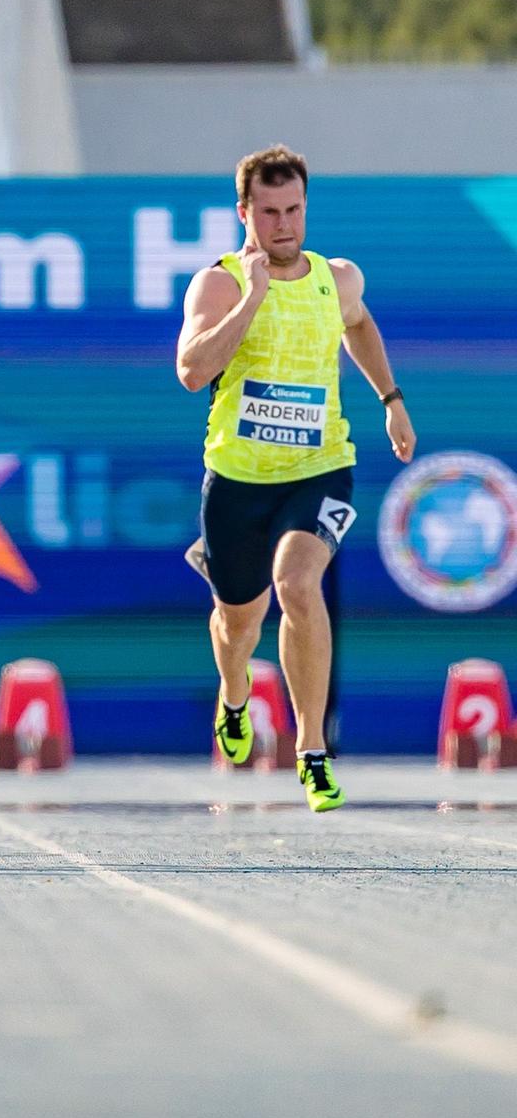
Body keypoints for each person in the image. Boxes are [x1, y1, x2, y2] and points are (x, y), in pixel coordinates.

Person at [175, 144, 416, 812]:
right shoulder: (219, 283)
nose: (283, 225)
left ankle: (311, 749)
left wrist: (391, 400)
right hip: (238, 478)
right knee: (238, 625)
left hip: (320, 466)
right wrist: (251, 297)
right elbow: (192, 370)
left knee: (298, 583)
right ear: (244, 212)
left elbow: (359, 325)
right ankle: (233, 696)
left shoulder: (335, 279)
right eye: (269, 212)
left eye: (294, 210)